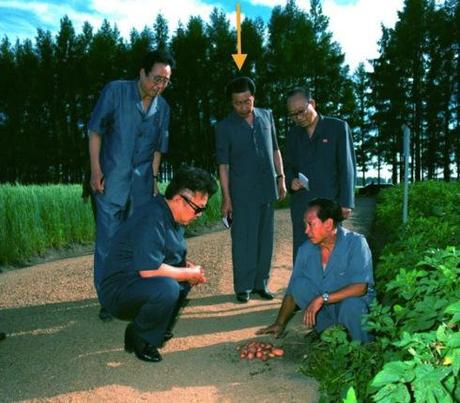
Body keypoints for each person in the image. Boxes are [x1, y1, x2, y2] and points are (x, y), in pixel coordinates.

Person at [87, 49, 175, 321]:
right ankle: (107, 299)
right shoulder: (116, 91)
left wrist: (154, 182)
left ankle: (131, 295)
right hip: (111, 180)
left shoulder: (164, 108)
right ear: (142, 73)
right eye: (156, 79)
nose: (159, 86)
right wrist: (95, 170)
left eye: (165, 81)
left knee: (137, 243)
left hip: (142, 187)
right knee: (108, 241)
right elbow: (95, 131)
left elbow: (158, 149)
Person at [99, 166, 218, 362]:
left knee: (181, 277)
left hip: (137, 283)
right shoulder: (152, 217)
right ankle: (139, 336)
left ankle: (156, 327)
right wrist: (187, 274)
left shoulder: (171, 216)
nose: (200, 214)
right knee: (169, 286)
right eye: (198, 208)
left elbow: (167, 255)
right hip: (118, 291)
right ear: (179, 199)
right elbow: (149, 270)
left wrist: (187, 269)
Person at [257, 198, 374, 343]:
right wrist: (279, 323)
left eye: (311, 225)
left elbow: (360, 288)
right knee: (299, 285)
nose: (306, 231)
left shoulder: (356, 243)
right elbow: (292, 291)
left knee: (352, 305)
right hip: (327, 310)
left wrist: (322, 298)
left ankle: (363, 346)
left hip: (352, 306)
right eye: (305, 225)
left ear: (328, 224)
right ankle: (328, 335)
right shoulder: (305, 249)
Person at [215, 77, 287, 303]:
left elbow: (275, 149)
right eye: (237, 103)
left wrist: (281, 177)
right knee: (243, 239)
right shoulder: (224, 126)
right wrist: (226, 198)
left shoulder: (267, 116)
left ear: (253, 97)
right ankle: (243, 287)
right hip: (241, 191)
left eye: (247, 101)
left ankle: (261, 284)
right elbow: (223, 165)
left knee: (265, 238)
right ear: (231, 103)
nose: (243, 107)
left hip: (267, 187)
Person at [284, 88, 356, 263]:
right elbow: (287, 166)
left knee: (329, 251)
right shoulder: (293, 135)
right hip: (302, 204)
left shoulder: (337, 128)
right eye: (293, 115)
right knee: (303, 250)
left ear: (313, 104)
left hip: (329, 203)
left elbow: (347, 166)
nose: (298, 118)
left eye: (301, 112)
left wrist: (346, 202)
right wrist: (291, 179)